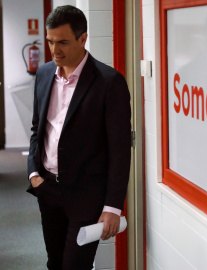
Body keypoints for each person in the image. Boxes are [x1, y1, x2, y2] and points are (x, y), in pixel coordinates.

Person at [26, 5, 131, 270]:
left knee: (75, 266)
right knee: (55, 263)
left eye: (62, 42)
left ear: (83, 38)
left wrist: (113, 207)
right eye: (50, 42)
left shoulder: (109, 82)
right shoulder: (43, 74)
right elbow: (37, 129)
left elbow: (120, 151)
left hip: (87, 196)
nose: (54, 50)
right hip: (47, 189)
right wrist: (34, 175)